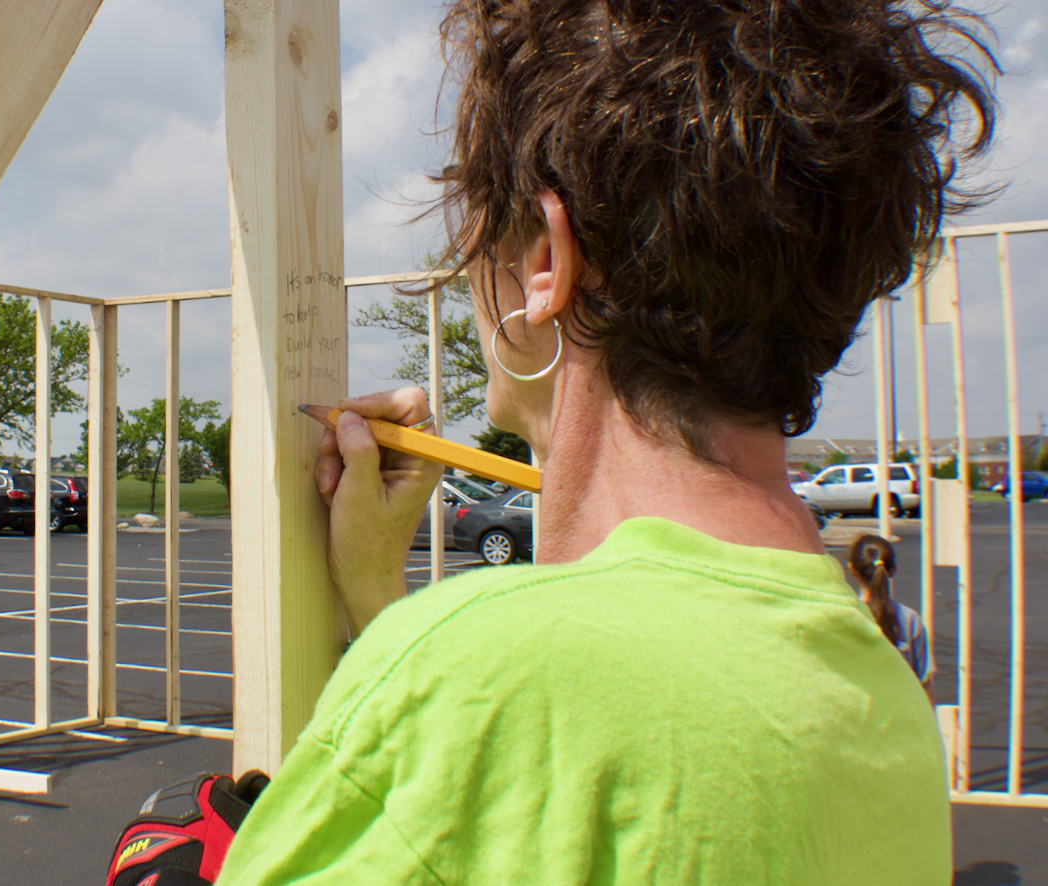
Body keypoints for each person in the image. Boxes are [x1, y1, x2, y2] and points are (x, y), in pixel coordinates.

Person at [203, 0, 996, 882]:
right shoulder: (877, 687)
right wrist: (375, 594)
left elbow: (517, 733)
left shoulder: (474, 681)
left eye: (475, 243)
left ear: (546, 261)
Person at [848, 534, 937, 703]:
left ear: (851, 569)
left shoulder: (845, 616)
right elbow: (924, 683)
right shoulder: (909, 619)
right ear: (892, 570)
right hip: (901, 721)